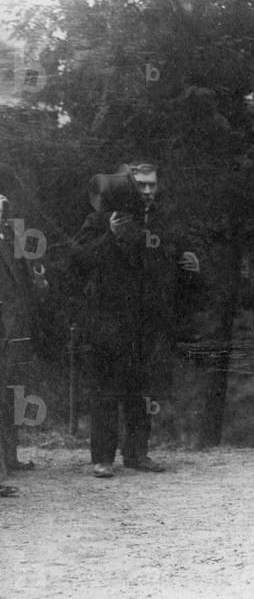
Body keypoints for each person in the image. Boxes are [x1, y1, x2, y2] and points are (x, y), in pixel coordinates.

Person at [68, 162, 200, 478]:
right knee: (105, 391)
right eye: (140, 185)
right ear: (126, 185)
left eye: (152, 184)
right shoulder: (100, 217)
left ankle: (137, 454)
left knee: (141, 390)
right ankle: (102, 458)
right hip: (108, 321)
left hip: (148, 321)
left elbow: (178, 261)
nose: (147, 191)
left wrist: (187, 265)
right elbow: (78, 260)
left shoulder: (162, 221)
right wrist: (110, 236)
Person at [1, 193, 47, 496]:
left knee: (9, 392)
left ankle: (9, 458)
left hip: (11, 327)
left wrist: (39, 280)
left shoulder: (10, 236)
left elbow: (26, 276)